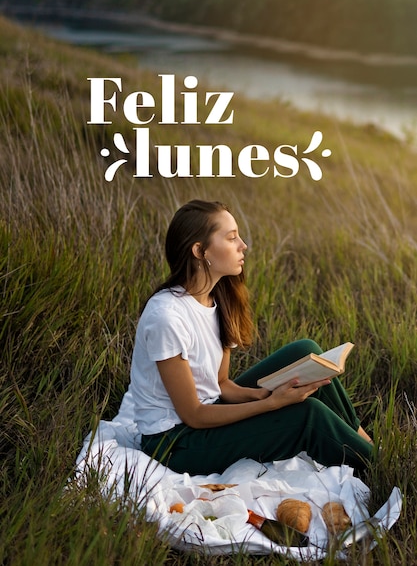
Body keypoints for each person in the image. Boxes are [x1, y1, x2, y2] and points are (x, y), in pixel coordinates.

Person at [130, 199, 374, 476]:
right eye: (231, 238)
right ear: (199, 251)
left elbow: (220, 384)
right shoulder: (167, 317)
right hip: (175, 443)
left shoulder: (217, 299)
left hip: (208, 413)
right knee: (307, 416)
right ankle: (376, 466)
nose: (243, 245)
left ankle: (365, 443)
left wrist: (262, 393)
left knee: (307, 352)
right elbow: (194, 415)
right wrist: (270, 404)